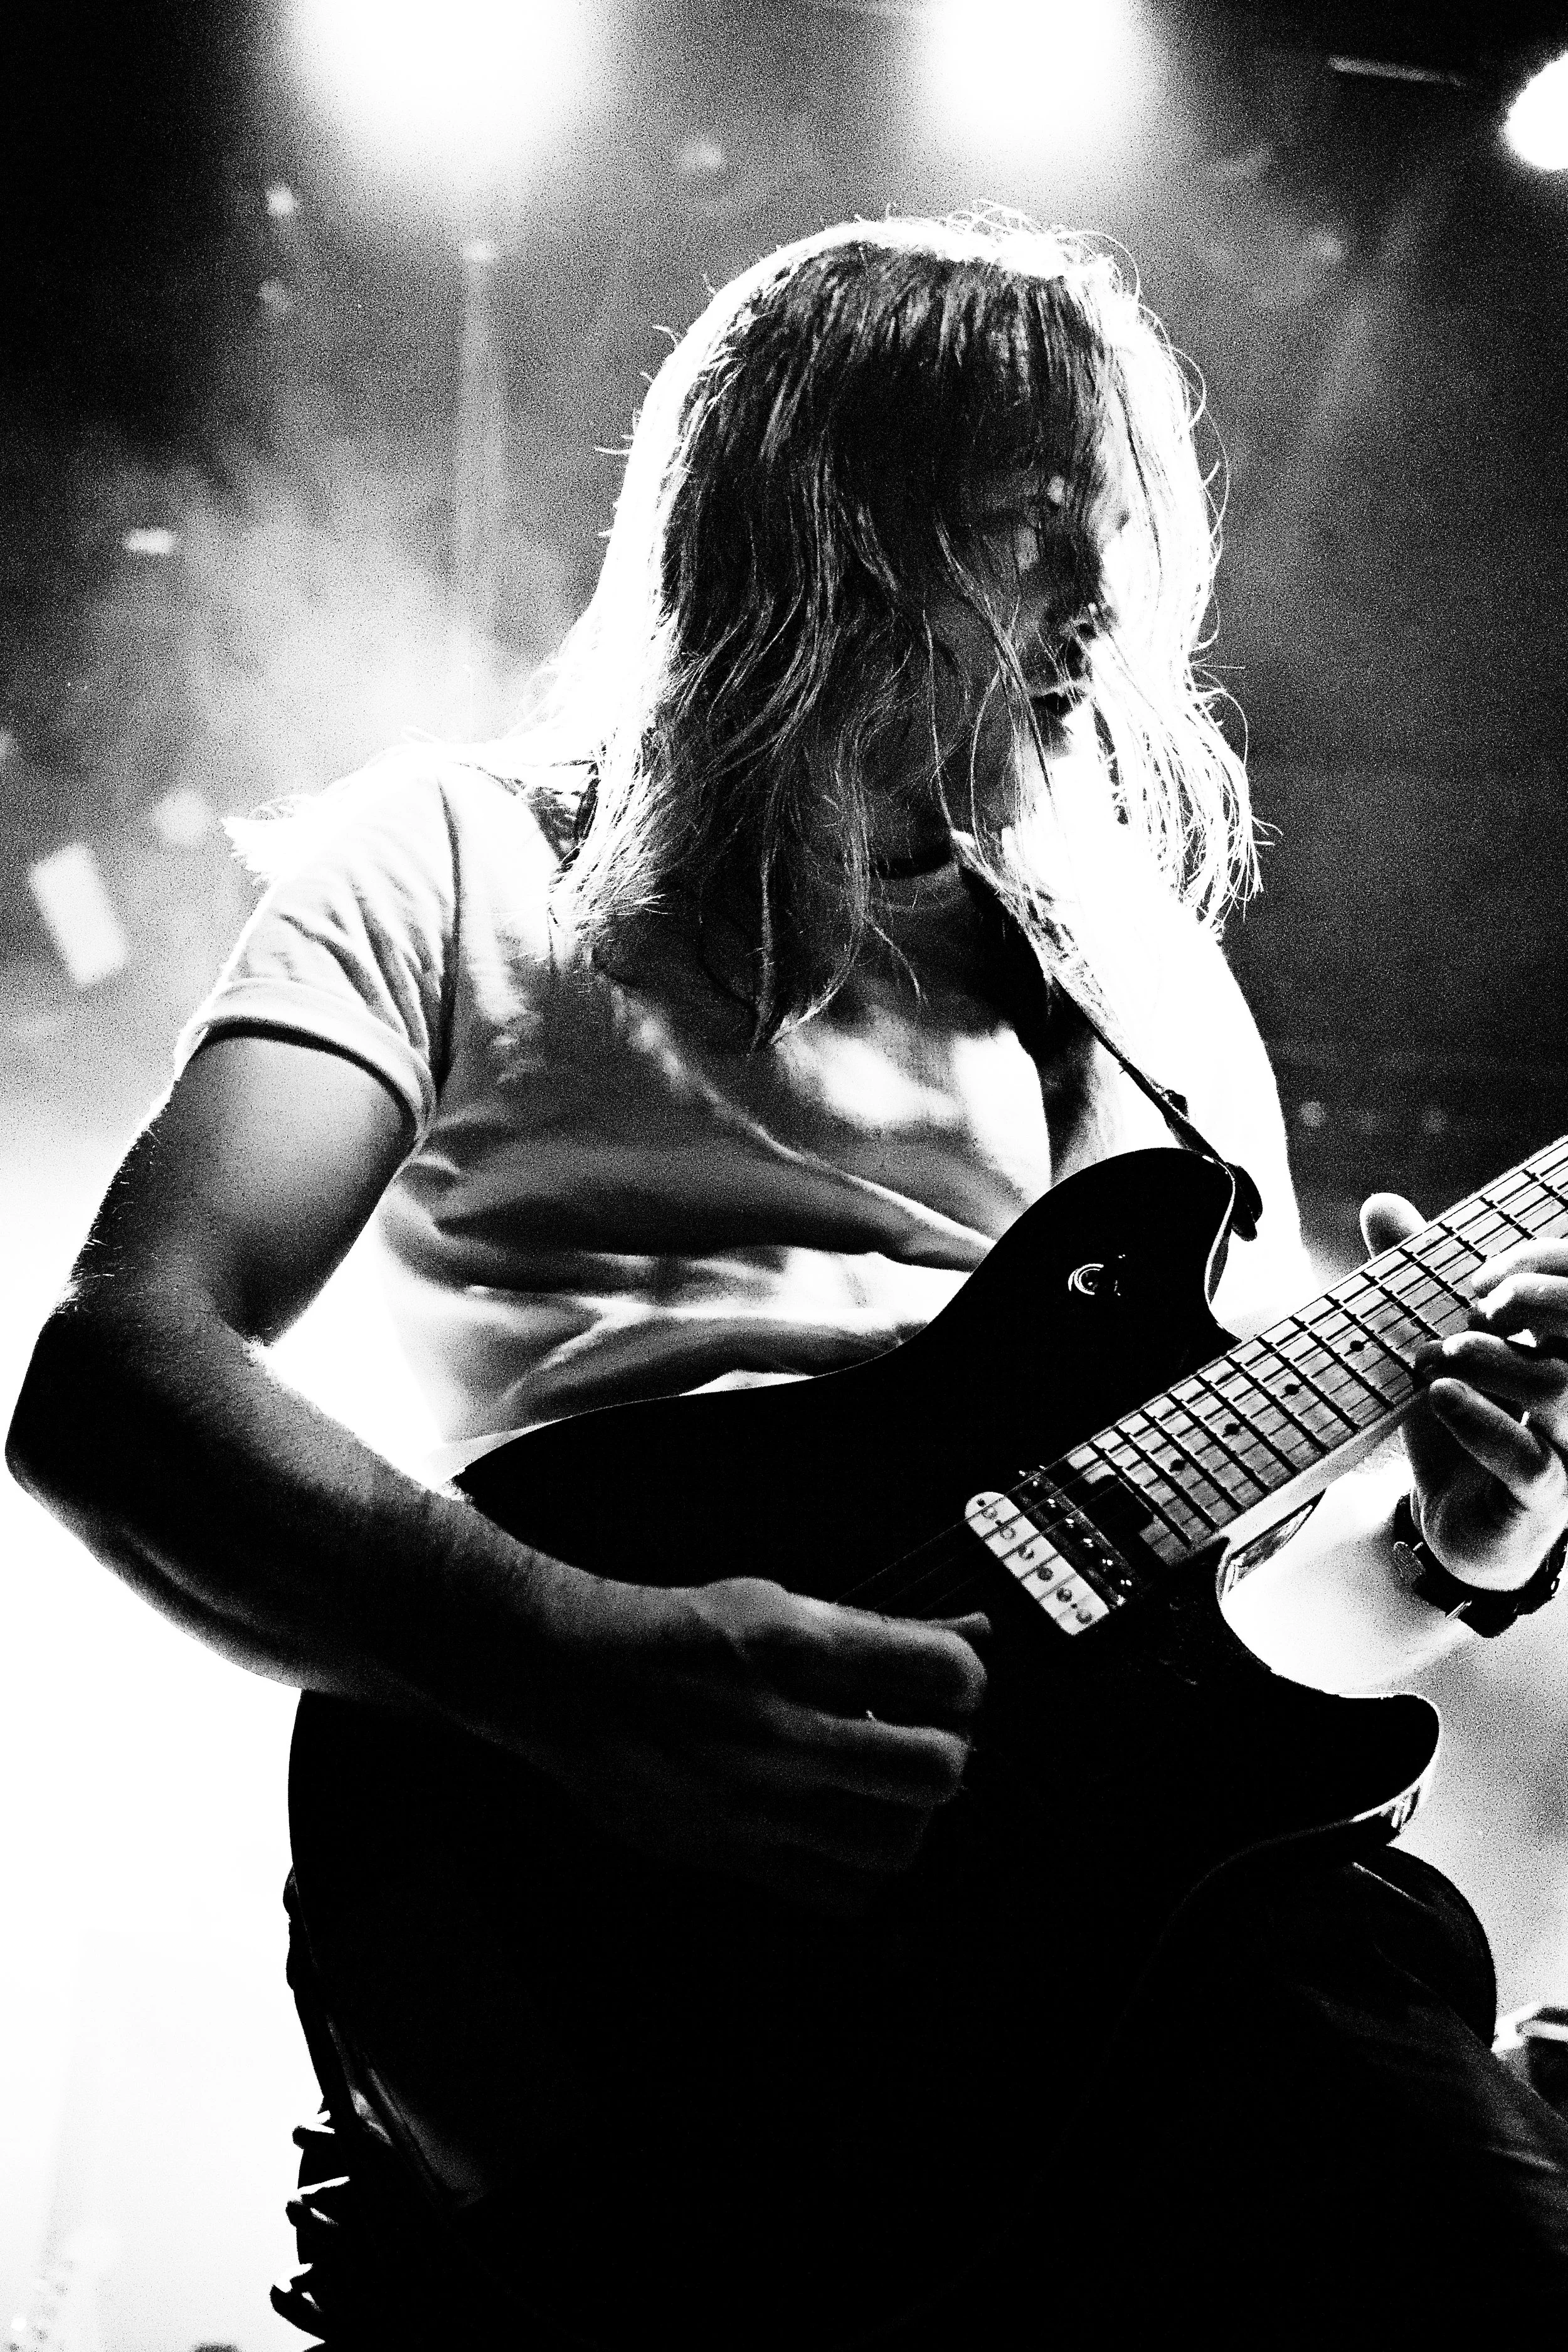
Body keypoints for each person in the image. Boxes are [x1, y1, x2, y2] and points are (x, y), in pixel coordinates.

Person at [9, 213, 1568, 2340]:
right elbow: (116, 1374)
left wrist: (1455, 1537)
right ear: (816, 522)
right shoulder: (456, 855)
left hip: (1123, 1920)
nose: (1100, 614)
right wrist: (568, 1657)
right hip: (598, 1906)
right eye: (1032, 533)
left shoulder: (1151, 994)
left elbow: (1239, 1613)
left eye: (1115, 541)